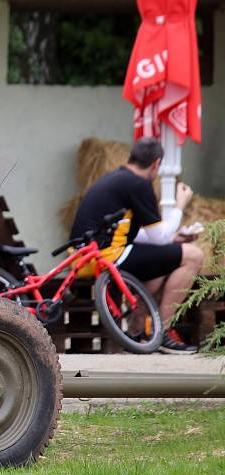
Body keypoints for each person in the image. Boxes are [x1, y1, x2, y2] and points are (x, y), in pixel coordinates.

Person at [70, 137, 204, 354]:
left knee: (159, 261)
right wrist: (180, 204)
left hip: (85, 255)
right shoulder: (138, 184)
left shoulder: (115, 178)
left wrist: (173, 239)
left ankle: (138, 330)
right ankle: (163, 332)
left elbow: (138, 234)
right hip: (104, 257)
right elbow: (159, 237)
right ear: (156, 164)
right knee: (194, 256)